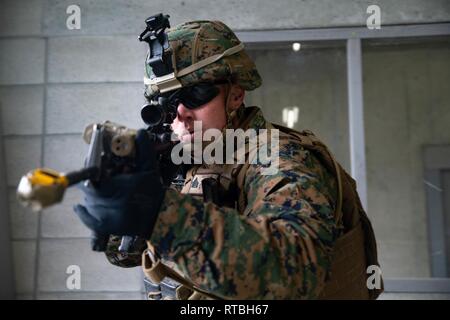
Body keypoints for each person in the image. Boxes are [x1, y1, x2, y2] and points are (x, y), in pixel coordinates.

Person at [74, 18, 383, 300]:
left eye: (196, 95)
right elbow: (126, 256)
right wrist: (131, 204)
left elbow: (297, 270)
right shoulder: (190, 157)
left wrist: (161, 213)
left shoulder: (279, 157)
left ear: (235, 95)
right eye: (167, 102)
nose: (180, 115)